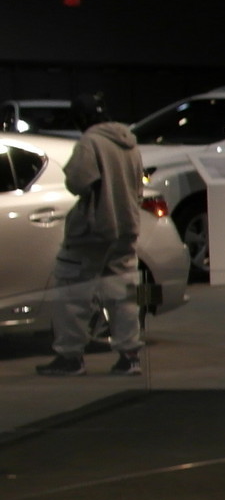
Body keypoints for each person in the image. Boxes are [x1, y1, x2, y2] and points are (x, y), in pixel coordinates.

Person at [36, 91, 146, 377]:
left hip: (93, 230)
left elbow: (78, 181)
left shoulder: (90, 142)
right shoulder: (129, 142)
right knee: (125, 294)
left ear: (81, 118)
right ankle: (130, 355)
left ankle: (70, 357)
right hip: (126, 228)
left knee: (71, 294)